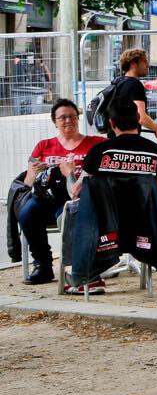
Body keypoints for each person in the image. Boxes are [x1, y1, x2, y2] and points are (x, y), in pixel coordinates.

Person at [68, 99, 157, 294]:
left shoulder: (99, 151)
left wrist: (69, 174)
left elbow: (80, 189)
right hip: (144, 226)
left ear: (112, 123)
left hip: (104, 229)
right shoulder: (156, 151)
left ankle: (85, 275)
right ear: (139, 120)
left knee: (72, 212)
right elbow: (155, 185)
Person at [18, 99, 103, 285]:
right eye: (62, 117)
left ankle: (78, 267)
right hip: (47, 197)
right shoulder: (44, 146)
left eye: (72, 116)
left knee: (68, 217)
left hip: (79, 197)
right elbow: (27, 183)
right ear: (54, 121)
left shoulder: (95, 143)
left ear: (78, 118)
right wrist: (33, 173)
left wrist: (71, 172)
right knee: (27, 213)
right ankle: (43, 266)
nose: (68, 121)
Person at [105, 48, 157, 144]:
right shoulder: (134, 84)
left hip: (114, 139)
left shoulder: (118, 82)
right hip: (128, 142)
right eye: (144, 61)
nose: (148, 65)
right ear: (133, 64)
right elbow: (141, 117)